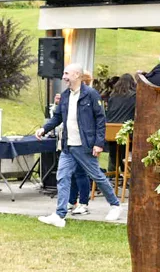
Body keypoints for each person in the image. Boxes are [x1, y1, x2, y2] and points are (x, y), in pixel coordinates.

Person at [35, 63, 122, 228]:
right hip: (68, 146)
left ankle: (115, 205)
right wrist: (44, 129)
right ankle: (59, 215)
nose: (64, 77)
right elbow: (57, 117)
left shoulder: (91, 94)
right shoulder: (66, 95)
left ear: (77, 75)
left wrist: (98, 143)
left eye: (66, 73)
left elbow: (101, 120)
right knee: (62, 177)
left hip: (85, 146)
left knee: (97, 175)